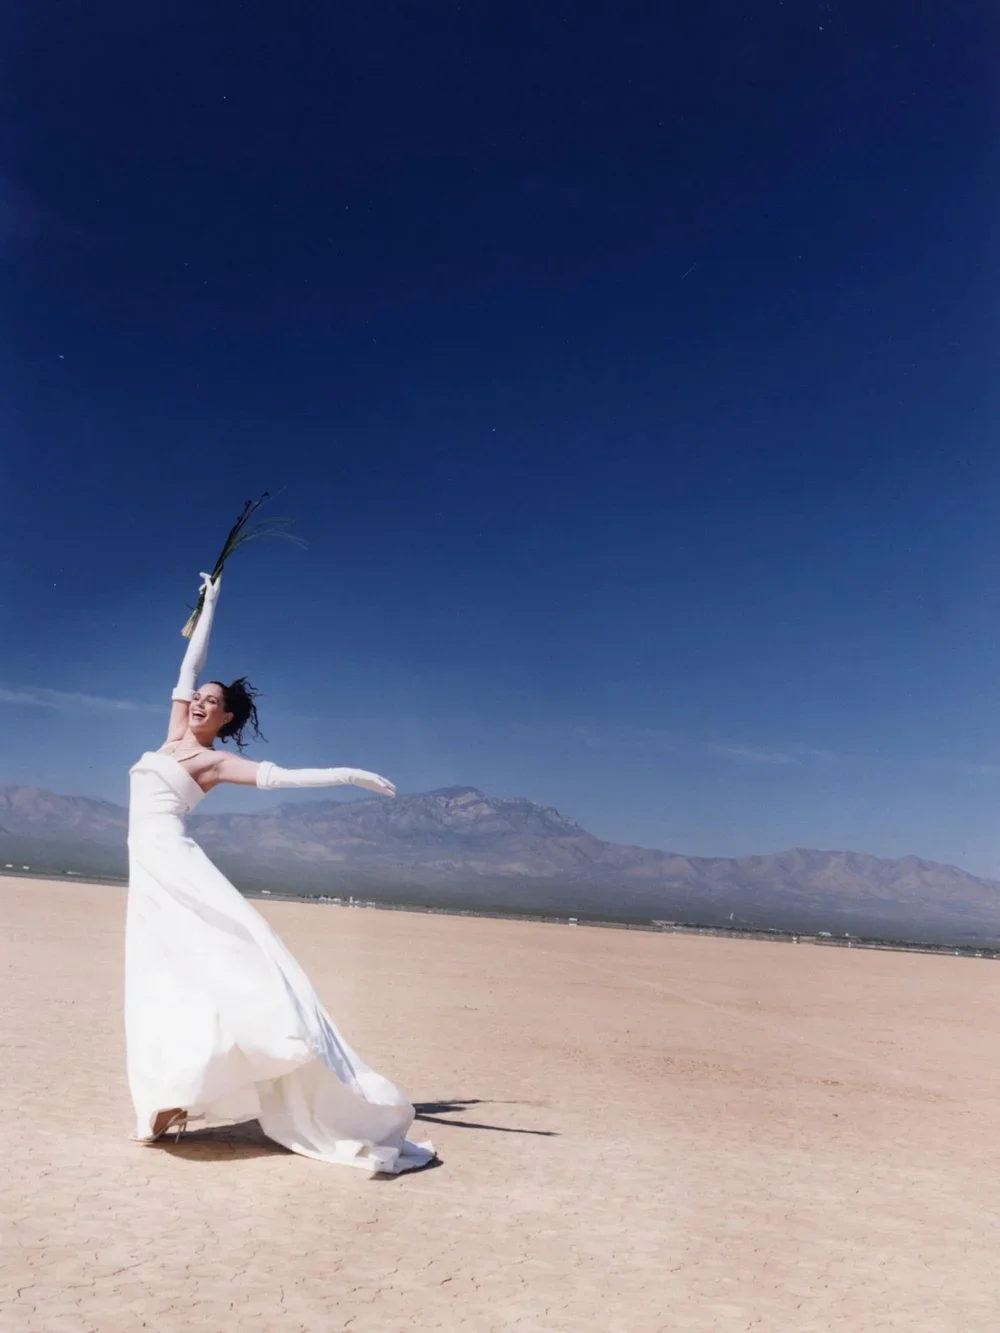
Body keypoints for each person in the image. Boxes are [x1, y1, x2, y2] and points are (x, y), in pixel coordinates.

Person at [125, 571, 434, 1174]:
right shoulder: (169, 739)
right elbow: (188, 667)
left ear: (225, 718)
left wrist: (346, 773)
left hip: (181, 873)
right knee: (163, 979)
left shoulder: (213, 761)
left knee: (232, 963)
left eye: (212, 703)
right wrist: (211, 601)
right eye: (198, 699)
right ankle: (169, 1101)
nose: (198, 703)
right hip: (150, 877)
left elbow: (284, 778)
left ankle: (242, 1068)